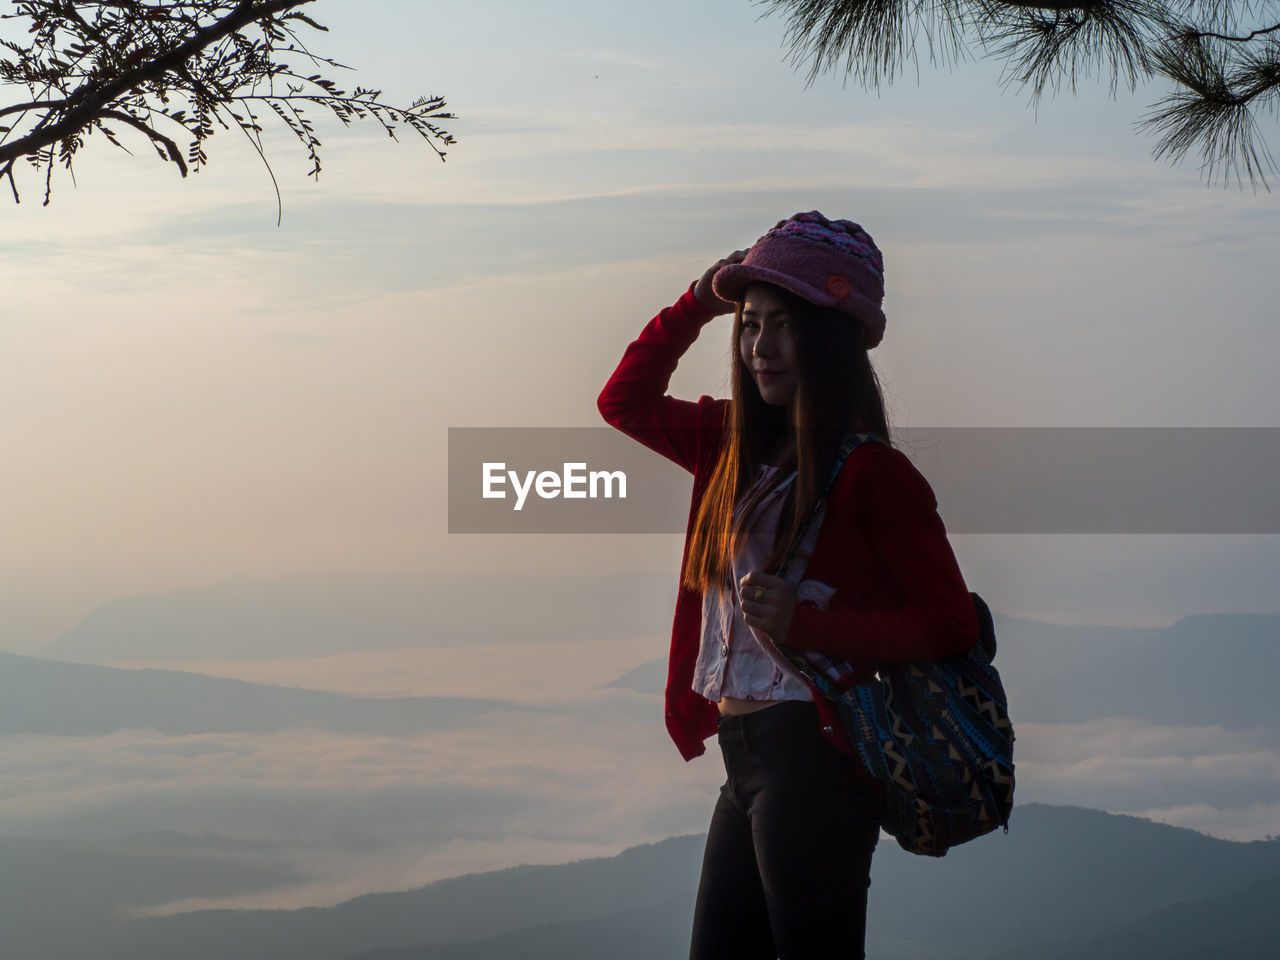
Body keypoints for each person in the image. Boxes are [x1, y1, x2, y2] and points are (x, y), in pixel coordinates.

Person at [597, 211, 979, 959]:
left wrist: (811, 627)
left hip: (815, 757)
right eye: (750, 325)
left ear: (830, 339)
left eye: (782, 325)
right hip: (745, 754)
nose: (759, 347)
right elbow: (624, 402)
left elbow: (950, 622)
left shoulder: (874, 474)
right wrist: (702, 300)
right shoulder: (727, 446)